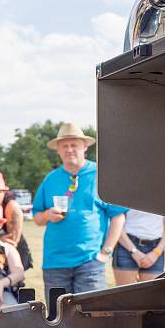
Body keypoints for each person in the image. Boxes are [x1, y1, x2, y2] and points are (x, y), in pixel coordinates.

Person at [33, 123, 127, 295]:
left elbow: (118, 216)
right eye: (65, 146)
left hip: (90, 262)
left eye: (74, 145)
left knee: (91, 317)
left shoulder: (101, 175)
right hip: (55, 263)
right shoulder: (50, 179)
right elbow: (37, 218)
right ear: (58, 150)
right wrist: (47, 215)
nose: (69, 150)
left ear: (84, 147)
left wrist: (105, 252)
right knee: (57, 317)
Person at [113, 210, 165, 284]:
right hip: (127, 246)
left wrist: (156, 253)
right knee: (125, 293)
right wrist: (133, 251)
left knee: (151, 293)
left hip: (155, 248)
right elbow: (117, 222)